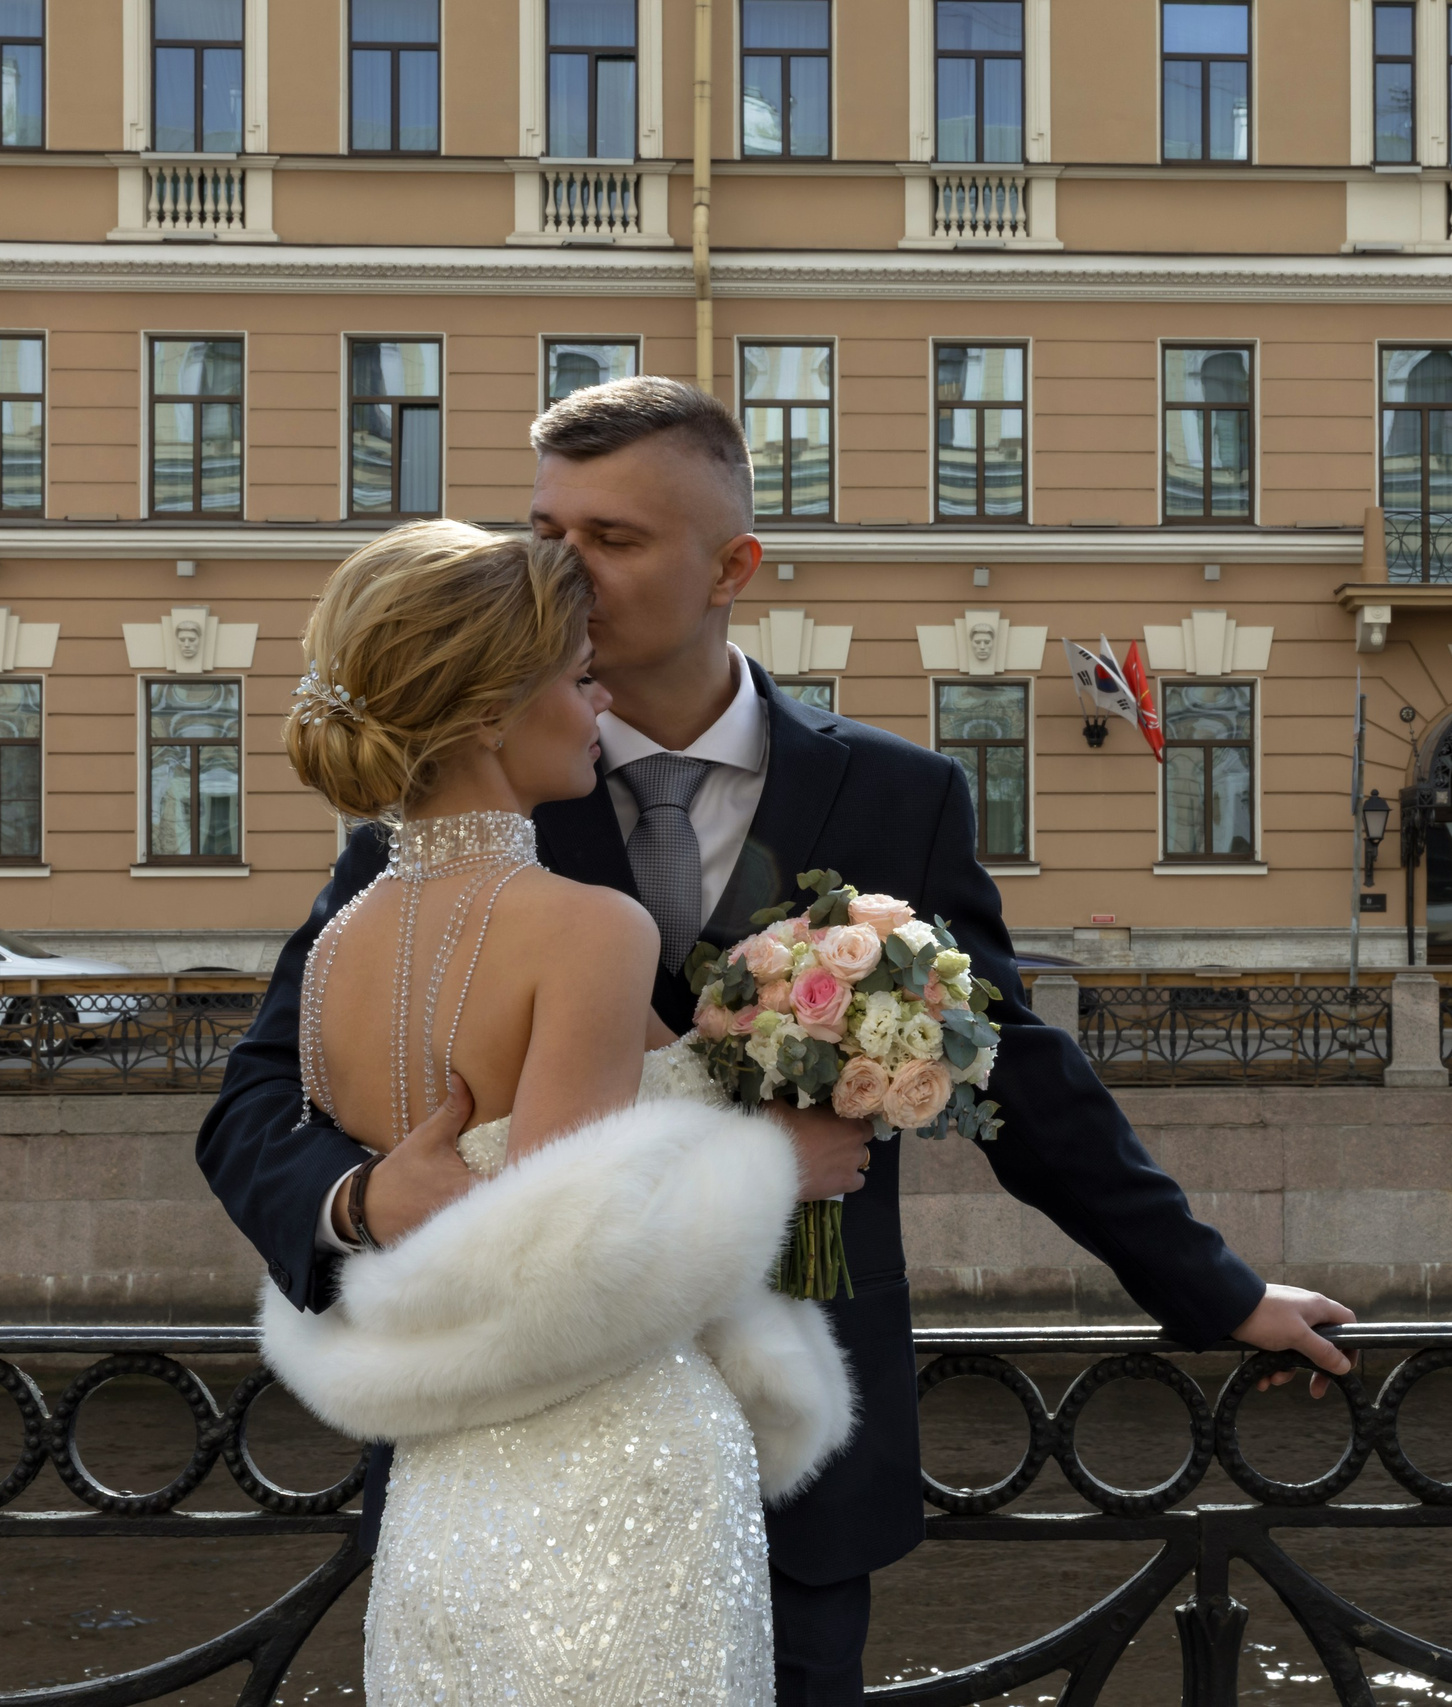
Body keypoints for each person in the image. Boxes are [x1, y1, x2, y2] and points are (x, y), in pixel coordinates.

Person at [198, 377, 1357, 1706]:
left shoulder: (898, 792)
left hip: (799, 1460)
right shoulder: (423, 827)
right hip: (515, 1451)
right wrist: (358, 1197)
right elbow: (253, 1104)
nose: (556, 569)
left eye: (613, 539)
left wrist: (1217, 1288)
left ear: (731, 567)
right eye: (543, 526)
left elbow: (1017, 1071)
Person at [250, 520, 856, 1705]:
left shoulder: (336, 949)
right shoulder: (591, 928)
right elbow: (568, 1275)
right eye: (580, 679)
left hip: (441, 1490)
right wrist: (770, 1164)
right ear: (488, 710)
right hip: (618, 1473)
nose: (598, 706)